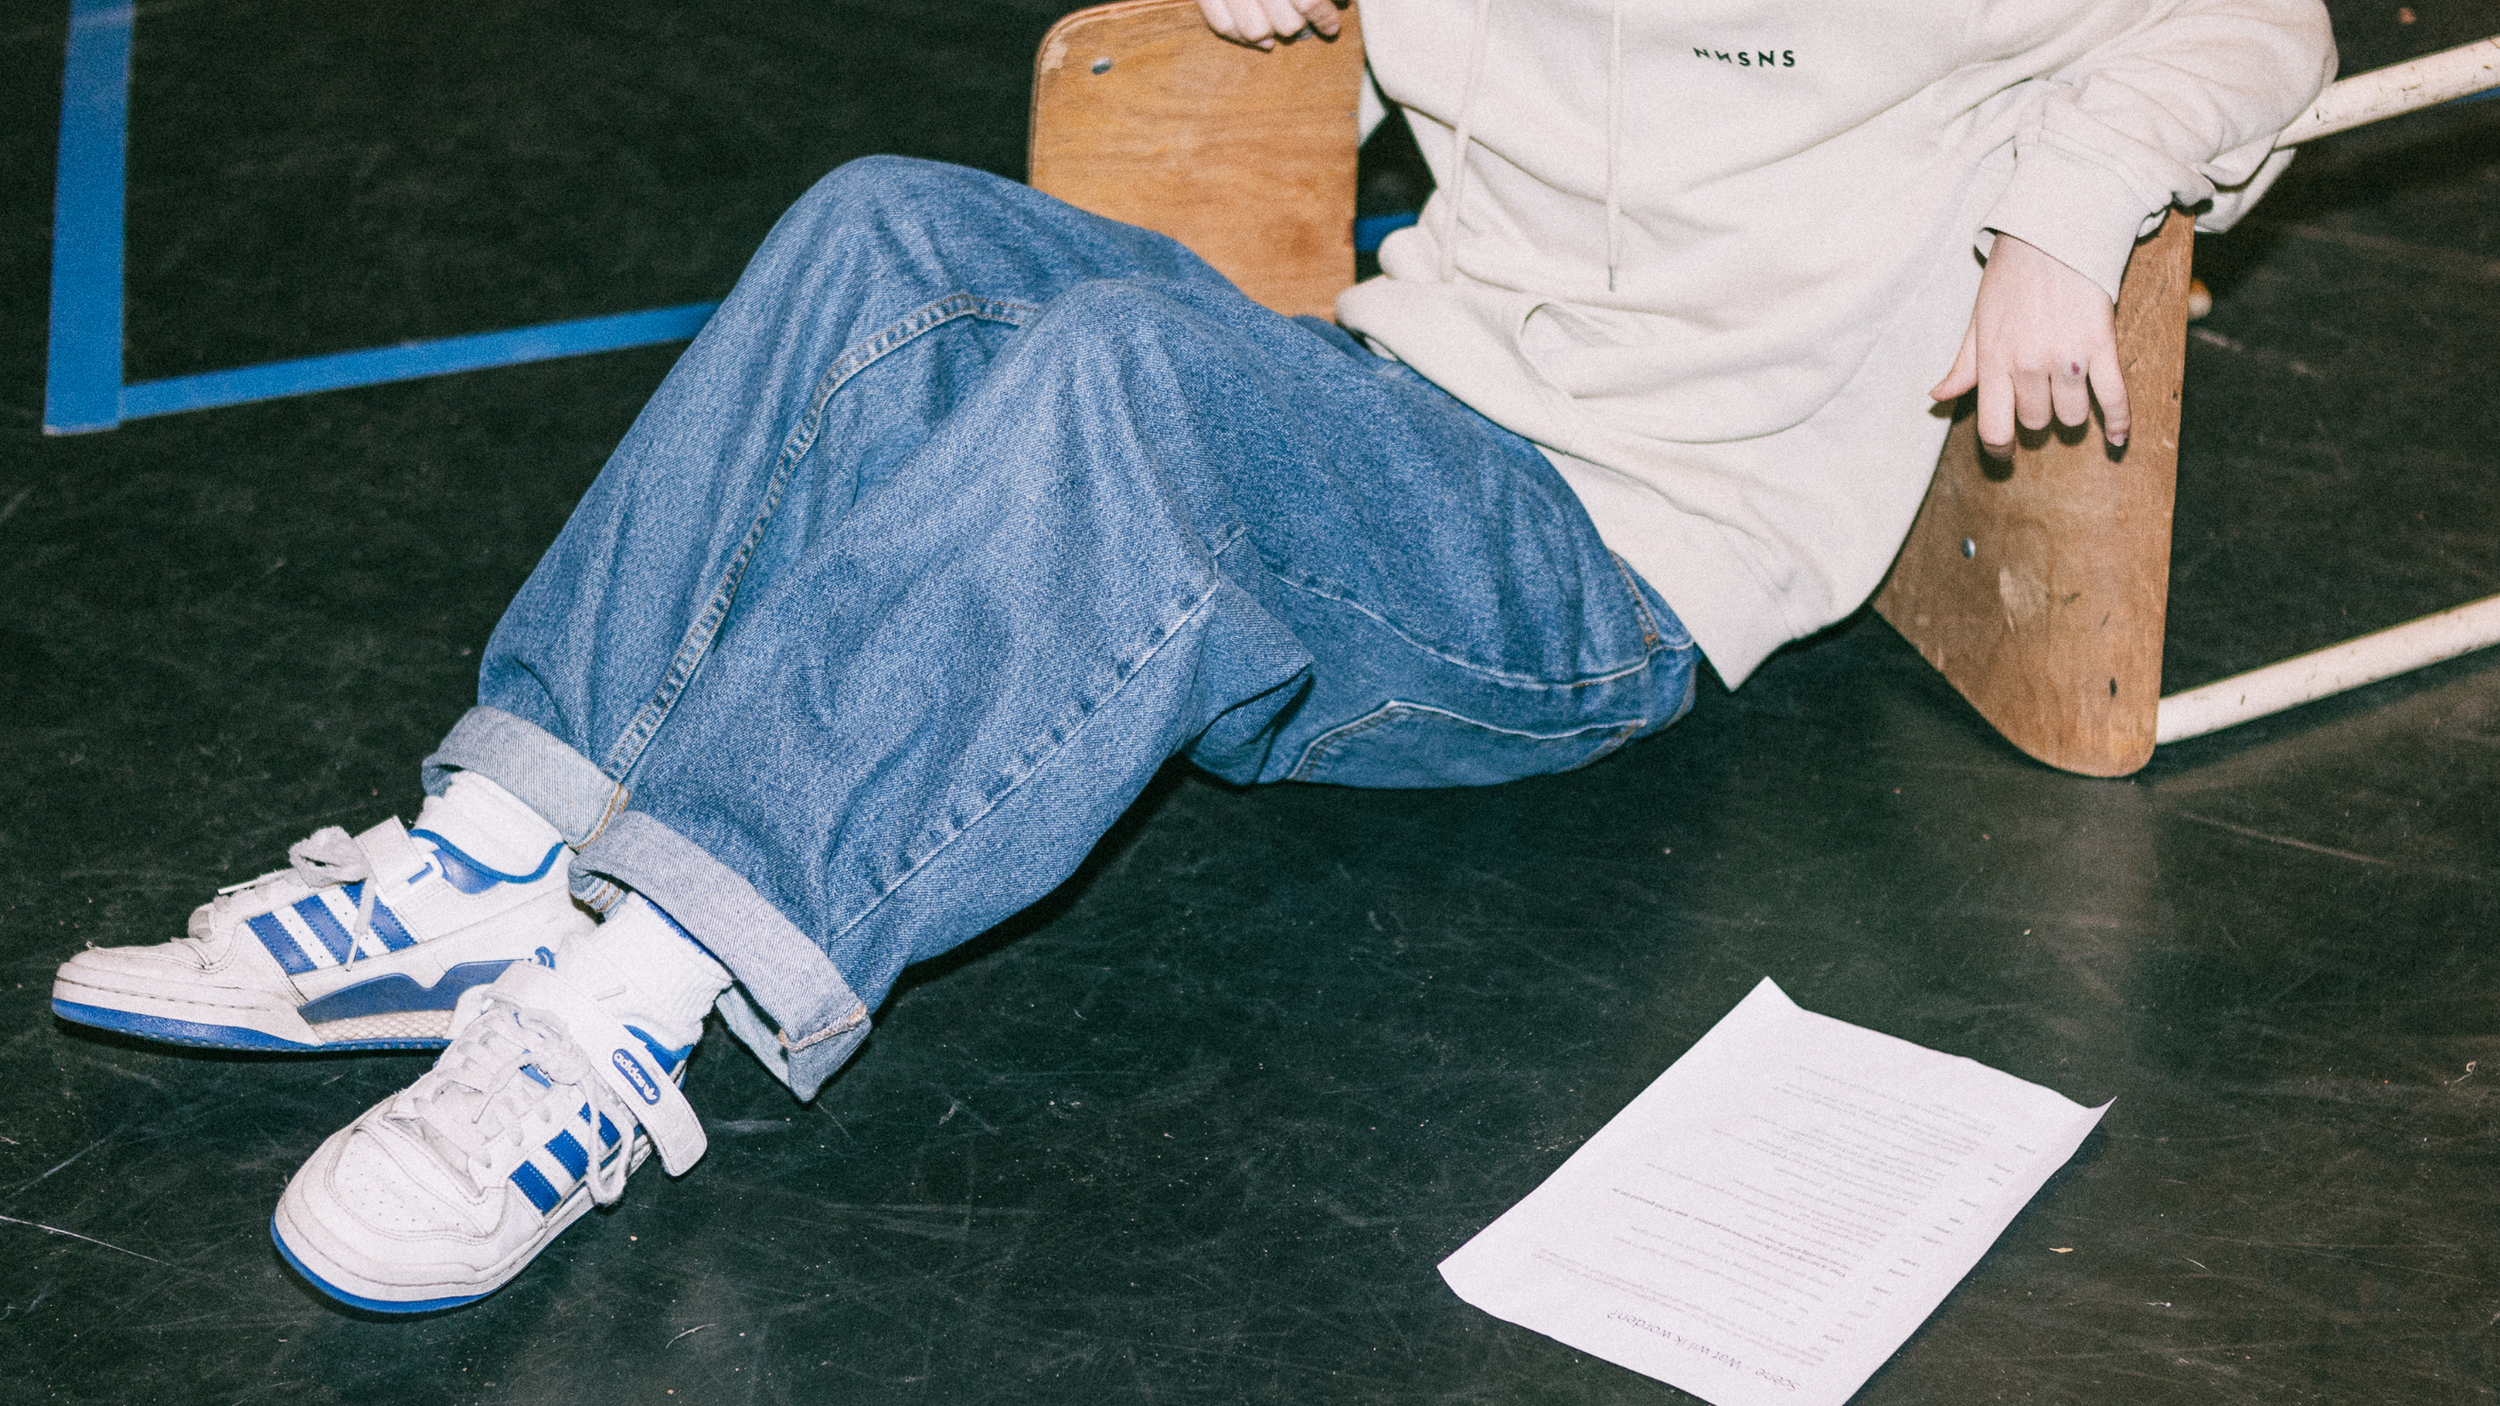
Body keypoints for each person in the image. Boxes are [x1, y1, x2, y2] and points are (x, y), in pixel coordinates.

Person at [49, 0, 2335, 1312]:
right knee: (889, 232)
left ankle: (611, 1020)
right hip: (1396, 406)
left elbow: (2259, 15)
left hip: (1613, 562)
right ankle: (486, 866)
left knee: (1130, 384)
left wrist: (2062, 216)